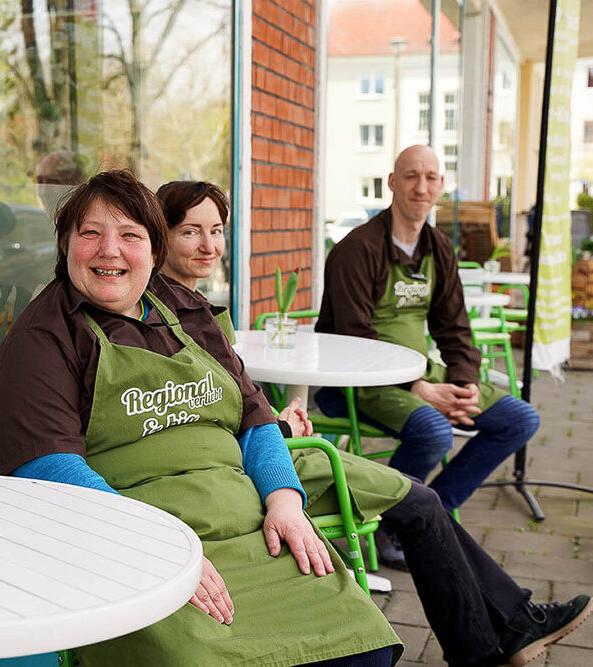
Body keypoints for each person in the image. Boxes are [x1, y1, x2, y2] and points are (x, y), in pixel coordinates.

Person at [155, 178, 592, 667]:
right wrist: (277, 433)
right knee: (423, 502)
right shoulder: (167, 317)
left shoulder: (199, 308)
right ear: (160, 234)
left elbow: (216, 405)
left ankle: (506, 627)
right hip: (258, 472)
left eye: (216, 230)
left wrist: (271, 419)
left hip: (265, 452)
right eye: (190, 232)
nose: (209, 245)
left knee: (426, 500)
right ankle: (496, 637)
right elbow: (184, 428)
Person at [0, 169, 405, 666]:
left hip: (255, 529)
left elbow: (254, 417)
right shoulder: (43, 338)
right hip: (136, 540)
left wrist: (286, 500)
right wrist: (160, 548)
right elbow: (48, 466)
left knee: (363, 648)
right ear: (66, 246)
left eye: (129, 235)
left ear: (153, 251)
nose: (109, 250)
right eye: (90, 233)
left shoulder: (184, 309)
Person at [315, 145, 540, 516]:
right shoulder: (357, 249)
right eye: (411, 176)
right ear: (392, 182)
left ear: (440, 187)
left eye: (430, 177)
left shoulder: (439, 248)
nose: (421, 187)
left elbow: (454, 326)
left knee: (520, 420)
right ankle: (395, 523)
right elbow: (354, 339)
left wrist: (465, 383)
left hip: (418, 374)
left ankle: (432, 512)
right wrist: (418, 389)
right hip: (357, 382)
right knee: (435, 433)